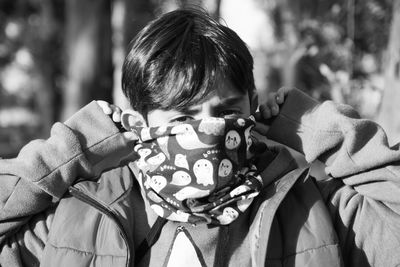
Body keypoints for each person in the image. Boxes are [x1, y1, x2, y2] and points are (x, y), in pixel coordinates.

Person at [1, 8, 399, 267]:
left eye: (226, 112)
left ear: (253, 106)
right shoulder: (84, 215)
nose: (209, 132)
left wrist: (311, 124)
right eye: (184, 116)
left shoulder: (313, 206)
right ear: (140, 120)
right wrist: (74, 146)